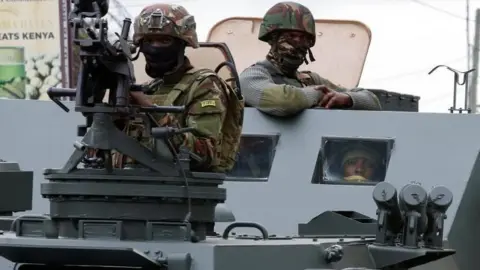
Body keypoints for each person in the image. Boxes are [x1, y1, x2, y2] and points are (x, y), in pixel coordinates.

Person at [114, 3, 243, 173]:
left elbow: (205, 155)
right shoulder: (149, 89)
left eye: (164, 40)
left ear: (183, 43)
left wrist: (152, 112)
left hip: (178, 194)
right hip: (127, 190)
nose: (155, 48)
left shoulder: (204, 85)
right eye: (149, 41)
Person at [239, 1, 382, 116]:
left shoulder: (309, 80)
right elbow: (283, 102)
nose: (298, 43)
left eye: (304, 38)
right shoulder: (252, 77)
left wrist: (347, 99)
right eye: (291, 36)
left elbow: (372, 102)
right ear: (273, 39)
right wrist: (317, 95)